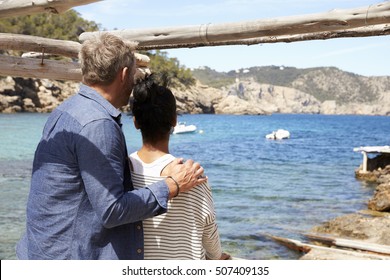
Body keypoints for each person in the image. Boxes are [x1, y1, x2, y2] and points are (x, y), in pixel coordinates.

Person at [16, 33, 206, 260]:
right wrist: (171, 185)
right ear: (124, 74)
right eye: (134, 72)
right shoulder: (98, 124)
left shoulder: (67, 109)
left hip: (42, 251)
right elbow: (112, 210)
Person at [130, 76, 230, 260]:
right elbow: (209, 235)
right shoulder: (192, 177)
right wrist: (217, 257)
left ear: (135, 122)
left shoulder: (122, 172)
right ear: (174, 121)